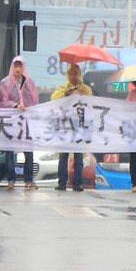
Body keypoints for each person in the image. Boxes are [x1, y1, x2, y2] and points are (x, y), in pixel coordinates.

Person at [0, 56, 41, 188]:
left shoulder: (29, 82)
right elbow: (2, 100)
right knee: (9, 151)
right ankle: (11, 179)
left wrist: (34, 113)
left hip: (26, 121)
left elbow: (35, 99)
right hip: (11, 120)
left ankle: (29, 179)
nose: (17, 69)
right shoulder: (5, 82)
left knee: (28, 150)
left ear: (23, 67)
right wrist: (15, 106)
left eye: (20, 66)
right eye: (15, 66)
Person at [53, 61, 92, 192]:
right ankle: (62, 182)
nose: (73, 76)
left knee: (78, 156)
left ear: (80, 74)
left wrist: (83, 95)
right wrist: (66, 95)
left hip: (79, 125)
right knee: (63, 155)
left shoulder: (85, 89)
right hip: (65, 124)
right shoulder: (62, 88)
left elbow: (91, 104)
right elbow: (54, 100)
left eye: (75, 73)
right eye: (70, 73)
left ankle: (77, 183)